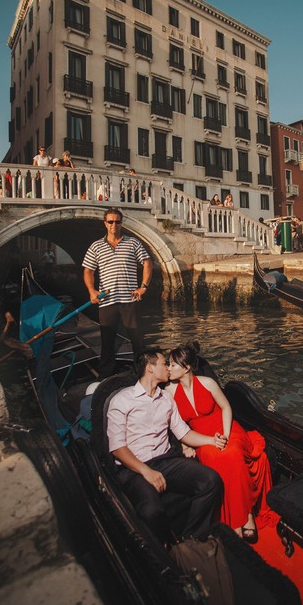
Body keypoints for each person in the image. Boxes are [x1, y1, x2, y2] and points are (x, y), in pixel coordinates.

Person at [104, 349, 224, 545]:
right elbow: (117, 448)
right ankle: (164, 551)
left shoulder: (166, 398)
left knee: (211, 481)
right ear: (150, 368)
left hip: (166, 460)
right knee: (151, 511)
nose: (168, 368)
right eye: (163, 364)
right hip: (133, 467)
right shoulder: (122, 400)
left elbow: (183, 433)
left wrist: (211, 440)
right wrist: (146, 471)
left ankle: (191, 540)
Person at [166, 342, 277, 542]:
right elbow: (172, 423)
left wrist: (225, 435)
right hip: (201, 436)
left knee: (232, 451)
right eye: (168, 364)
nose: (168, 368)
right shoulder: (170, 392)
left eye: (173, 365)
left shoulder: (208, 383)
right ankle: (235, 520)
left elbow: (226, 408)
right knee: (212, 455)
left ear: (187, 367)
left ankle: (247, 515)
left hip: (227, 428)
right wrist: (185, 443)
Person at [83, 208, 152, 378]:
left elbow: (147, 262)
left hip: (130, 299)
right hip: (107, 301)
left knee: (137, 339)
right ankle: (105, 375)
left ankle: (142, 373)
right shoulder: (96, 246)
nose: (114, 224)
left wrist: (143, 286)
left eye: (118, 221)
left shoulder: (133, 243)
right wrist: (92, 291)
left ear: (121, 223)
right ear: (105, 223)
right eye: (111, 221)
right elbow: (88, 271)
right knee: (107, 341)